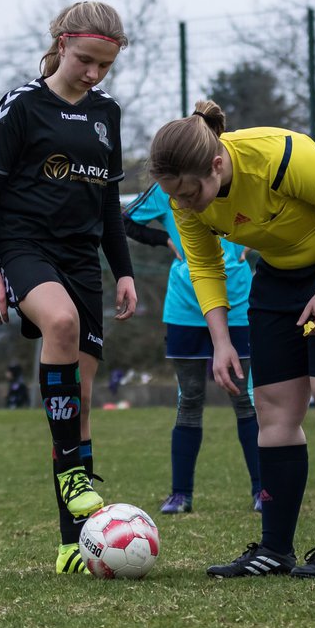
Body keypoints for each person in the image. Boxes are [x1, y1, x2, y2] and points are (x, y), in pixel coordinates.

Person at [148, 100, 315, 580]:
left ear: (217, 164)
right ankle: (275, 549)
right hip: (280, 274)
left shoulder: (282, 155)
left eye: (194, 193)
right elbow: (205, 265)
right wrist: (220, 340)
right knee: (276, 408)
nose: (188, 204)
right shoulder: (184, 195)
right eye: (177, 196)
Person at [0, 0, 136, 575]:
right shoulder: (21, 105)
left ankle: (74, 542)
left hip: (81, 258)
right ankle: (73, 477)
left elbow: (108, 204)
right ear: (62, 44)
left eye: (104, 67)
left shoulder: (107, 113)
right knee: (58, 324)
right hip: (23, 247)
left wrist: (125, 271)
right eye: (86, 60)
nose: (93, 74)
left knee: (81, 406)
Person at [123, 183, 262, 514]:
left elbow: (274, 210)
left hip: (237, 302)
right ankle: (180, 494)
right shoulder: (166, 186)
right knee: (189, 398)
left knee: (244, 398)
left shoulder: (233, 176)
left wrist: (253, 240)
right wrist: (165, 239)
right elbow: (124, 220)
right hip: (185, 306)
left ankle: (263, 491)